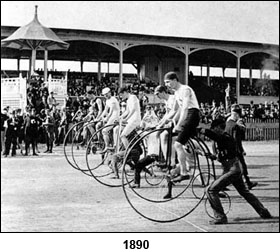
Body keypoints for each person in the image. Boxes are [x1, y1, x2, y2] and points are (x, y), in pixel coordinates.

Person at [199, 119, 272, 224]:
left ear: (219, 128)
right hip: (233, 169)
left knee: (210, 190)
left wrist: (201, 130)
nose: (213, 131)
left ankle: (220, 217)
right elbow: (222, 156)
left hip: (232, 170)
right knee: (245, 192)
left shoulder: (225, 138)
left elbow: (216, 138)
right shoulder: (222, 140)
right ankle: (263, 212)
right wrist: (210, 155)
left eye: (214, 129)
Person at [162, 72, 200, 182]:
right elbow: (177, 110)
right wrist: (171, 120)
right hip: (188, 115)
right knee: (180, 142)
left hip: (192, 114)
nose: (167, 85)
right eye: (166, 83)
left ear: (175, 80)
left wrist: (179, 124)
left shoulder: (185, 89)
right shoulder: (176, 93)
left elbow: (185, 109)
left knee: (178, 144)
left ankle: (184, 172)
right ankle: (181, 165)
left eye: (168, 82)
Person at [99, 87, 120, 153]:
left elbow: (111, 112)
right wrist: (100, 117)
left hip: (115, 117)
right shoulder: (107, 100)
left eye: (106, 94)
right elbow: (105, 110)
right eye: (104, 95)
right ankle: (107, 143)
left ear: (110, 93)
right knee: (102, 128)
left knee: (104, 130)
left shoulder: (113, 100)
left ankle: (107, 146)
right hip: (112, 117)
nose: (105, 96)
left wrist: (106, 118)